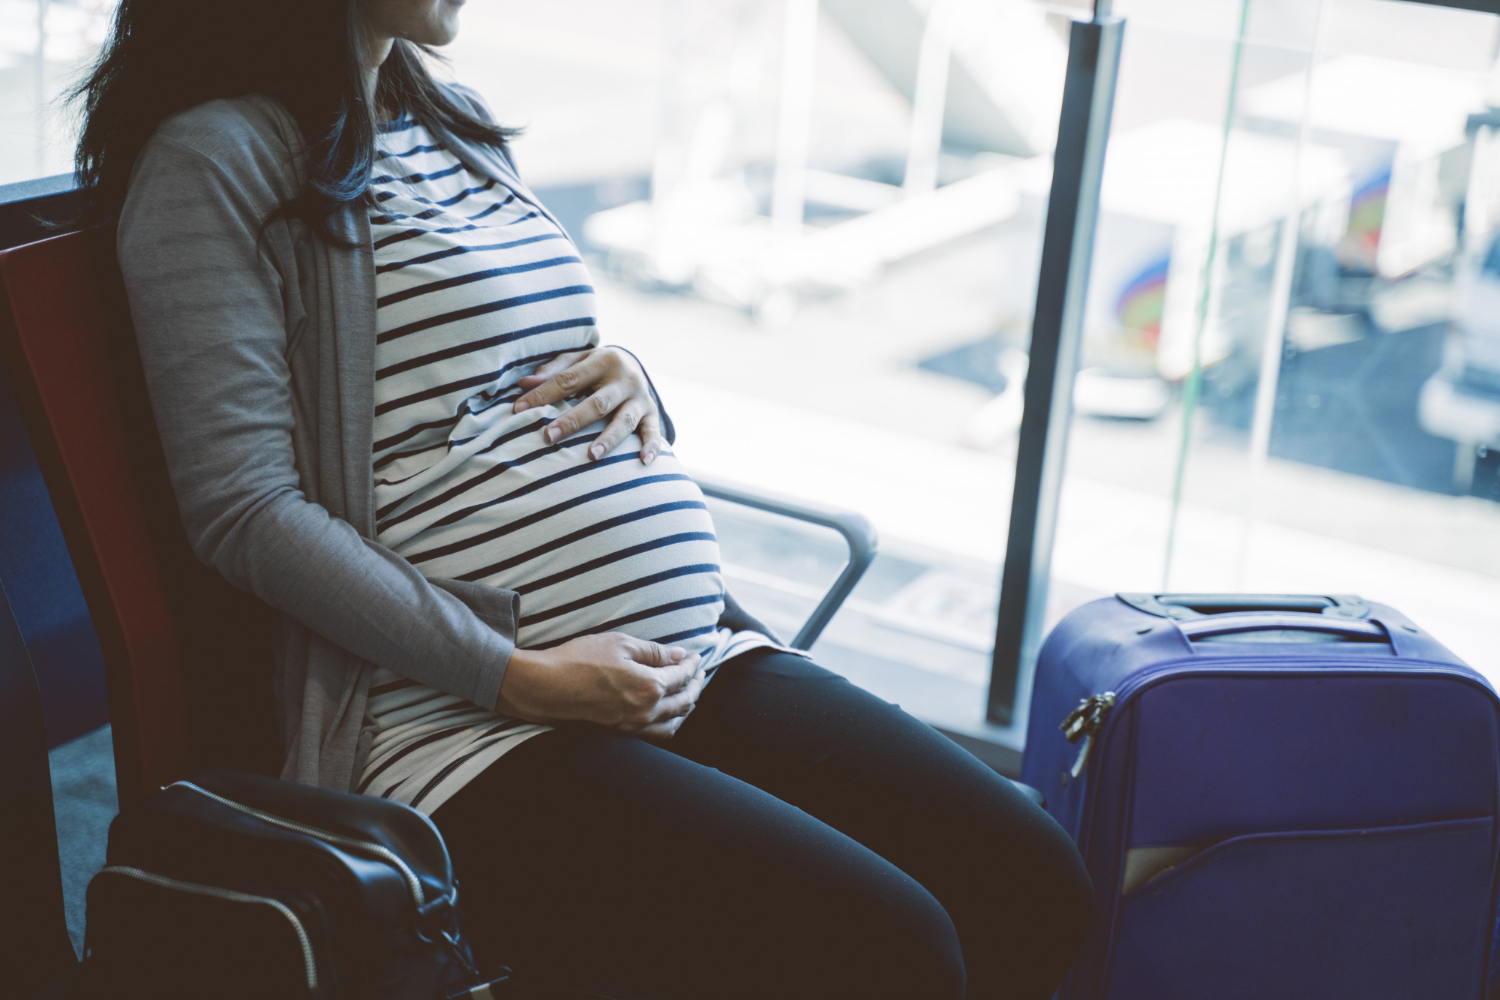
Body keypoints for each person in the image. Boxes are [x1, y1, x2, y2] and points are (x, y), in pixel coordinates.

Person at [74, 1, 1092, 996]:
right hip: (464, 729)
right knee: (893, 944)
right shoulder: (214, 161)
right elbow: (243, 511)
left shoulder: (444, 119)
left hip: (690, 660)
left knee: (1029, 878)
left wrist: (624, 370)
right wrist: (521, 677)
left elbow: (493, 366)